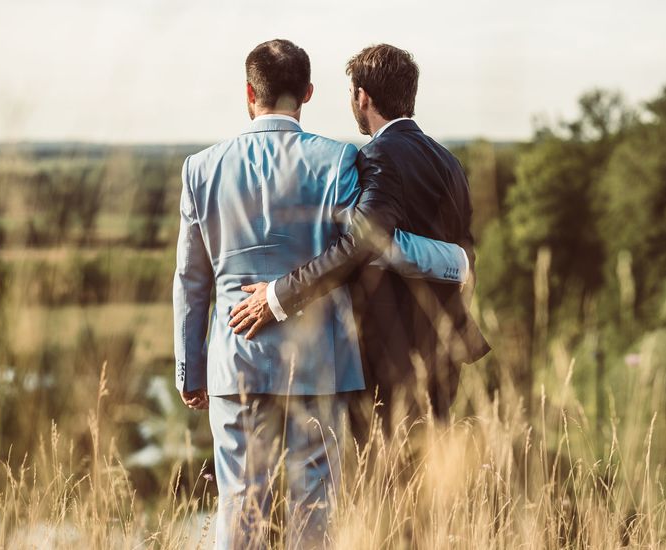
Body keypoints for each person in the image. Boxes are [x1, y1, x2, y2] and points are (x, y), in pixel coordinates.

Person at [172, 39, 468, 549]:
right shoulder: (340, 161)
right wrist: (457, 260)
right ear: (308, 93)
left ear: (249, 93)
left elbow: (190, 279)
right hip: (320, 363)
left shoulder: (200, 168)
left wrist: (189, 368)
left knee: (238, 507)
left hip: (235, 360)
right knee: (315, 511)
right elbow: (368, 245)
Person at [228, 43, 490, 441]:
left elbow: (362, 243)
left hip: (388, 351)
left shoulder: (378, 157)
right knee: (429, 477)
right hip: (444, 345)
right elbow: (465, 254)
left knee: (384, 481)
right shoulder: (448, 160)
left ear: (362, 96)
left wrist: (278, 296)